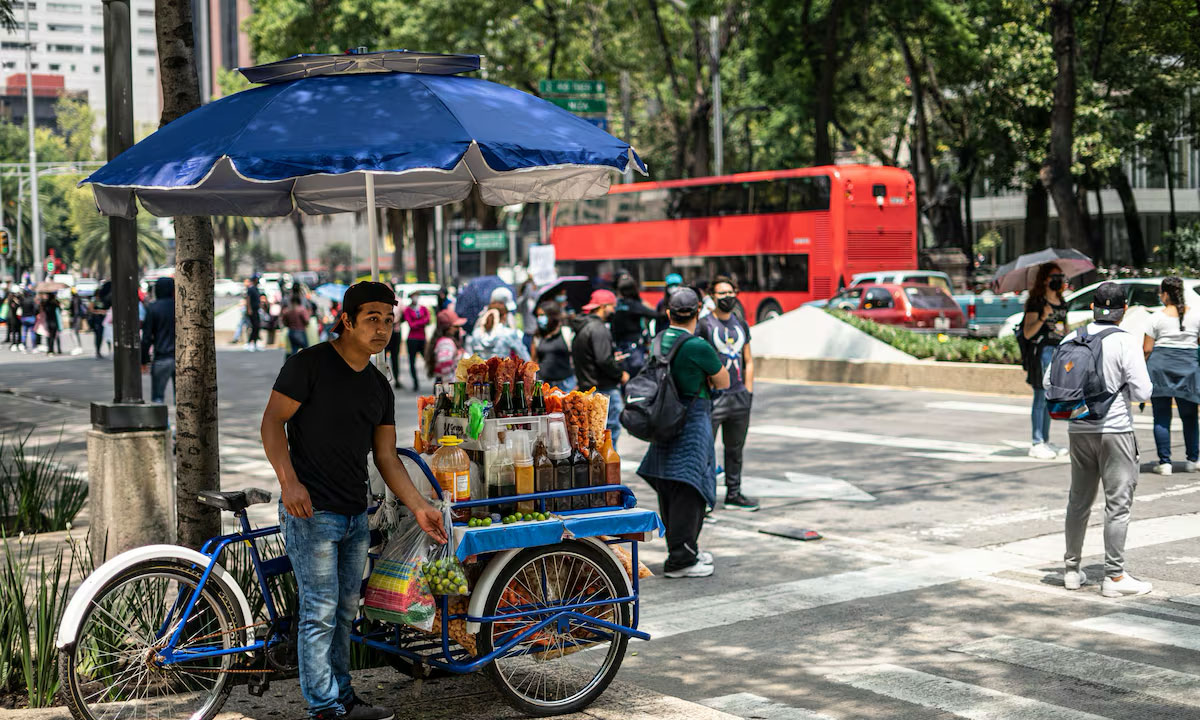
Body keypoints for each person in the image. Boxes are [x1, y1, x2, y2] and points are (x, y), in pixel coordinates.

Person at [261, 281, 447, 720]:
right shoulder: (308, 365)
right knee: (320, 612)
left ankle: (342, 698)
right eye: (372, 319)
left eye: (388, 319)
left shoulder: (379, 386)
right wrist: (289, 483)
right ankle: (323, 707)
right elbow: (271, 424)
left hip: (354, 514)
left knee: (346, 612)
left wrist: (420, 506)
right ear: (347, 320)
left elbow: (386, 457)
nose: (382, 328)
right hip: (311, 513)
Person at [1049, 282, 1153, 597]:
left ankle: (1071, 570)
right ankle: (1115, 577)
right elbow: (1143, 391)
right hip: (1115, 430)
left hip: (1078, 429)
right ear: (1122, 312)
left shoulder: (1071, 337)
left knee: (1078, 501)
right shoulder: (1125, 341)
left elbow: (1049, 381)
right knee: (1117, 504)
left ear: (1094, 307)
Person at [638, 288, 729, 579]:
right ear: (699, 310)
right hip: (691, 421)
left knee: (670, 485)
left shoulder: (658, 340)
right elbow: (723, 379)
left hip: (664, 421)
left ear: (668, 313)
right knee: (691, 487)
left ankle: (681, 550)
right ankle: (682, 559)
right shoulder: (697, 346)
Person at [698, 276, 759, 511]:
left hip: (739, 397)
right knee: (705, 451)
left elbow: (749, 360)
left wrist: (749, 391)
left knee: (735, 449)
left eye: (730, 292)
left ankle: (734, 494)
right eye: (721, 293)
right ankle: (705, 499)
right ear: (712, 296)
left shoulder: (741, 324)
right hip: (714, 399)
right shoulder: (704, 325)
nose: (727, 297)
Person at [1143, 276, 1200, 475]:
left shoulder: (1155, 318)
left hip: (1160, 369)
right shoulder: (1197, 316)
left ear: (1165, 294)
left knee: (1161, 417)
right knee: (1190, 416)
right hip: (1189, 369)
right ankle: (1193, 460)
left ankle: (1165, 463)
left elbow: (1147, 349)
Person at [1022, 263, 1069, 460]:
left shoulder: (1061, 300)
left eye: (1061, 275)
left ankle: (1046, 441)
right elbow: (1027, 332)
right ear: (1044, 279)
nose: (1058, 279)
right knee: (1040, 396)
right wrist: (1042, 316)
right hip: (1042, 352)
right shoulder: (1036, 302)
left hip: (1058, 351)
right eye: (1054, 276)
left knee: (1050, 397)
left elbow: (1064, 326)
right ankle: (1037, 441)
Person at [572, 289, 628, 442]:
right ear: (603, 306)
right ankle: (609, 466)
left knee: (595, 436)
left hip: (589, 387)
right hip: (603, 389)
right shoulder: (598, 328)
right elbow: (603, 360)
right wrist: (620, 373)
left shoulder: (583, 327)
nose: (614, 310)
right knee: (607, 434)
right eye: (612, 306)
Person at [611, 275, 657, 379]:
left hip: (620, 345)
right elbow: (654, 314)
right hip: (634, 347)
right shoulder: (634, 305)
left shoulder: (617, 305)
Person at [141, 277, 176, 403]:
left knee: (158, 397)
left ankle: (163, 422)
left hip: (162, 357)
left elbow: (146, 337)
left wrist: (144, 359)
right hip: (181, 357)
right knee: (183, 398)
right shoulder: (180, 307)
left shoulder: (153, 308)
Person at [531, 300, 576, 391]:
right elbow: (533, 360)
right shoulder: (538, 336)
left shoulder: (566, 332)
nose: (539, 318)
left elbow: (576, 358)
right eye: (538, 315)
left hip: (566, 385)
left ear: (552, 316)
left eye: (543, 315)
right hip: (545, 385)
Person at [426, 308, 467, 385]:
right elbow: (445, 368)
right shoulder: (446, 343)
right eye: (456, 326)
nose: (459, 329)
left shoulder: (446, 341)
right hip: (447, 385)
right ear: (448, 328)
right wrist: (450, 388)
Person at [402, 296, 431, 392]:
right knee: (412, 361)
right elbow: (411, 324)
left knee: (428, 359)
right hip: (412, 339)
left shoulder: (423, 308)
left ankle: (435, 379)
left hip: (422, 338)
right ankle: (415, 382)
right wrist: (422, 322)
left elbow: (428, 320)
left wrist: (417, 322)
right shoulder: (407, 310)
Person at [281, 290, 312, 359]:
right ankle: (307, 364)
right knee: (306, 350)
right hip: (300, 331)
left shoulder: (287, 310)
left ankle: (293, 365)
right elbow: (306, 320)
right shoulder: (301, 309)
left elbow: (284, 322)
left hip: (291, 332)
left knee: (294, 350)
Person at [244, 276, 263, 352]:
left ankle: (255, 343)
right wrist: (249, 309)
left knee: (257, 326)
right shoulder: (251, 288)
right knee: (255, 326)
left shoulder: (256, 288)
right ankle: (249, 343)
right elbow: (248, 299)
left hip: (256, 310)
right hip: (252, 310)